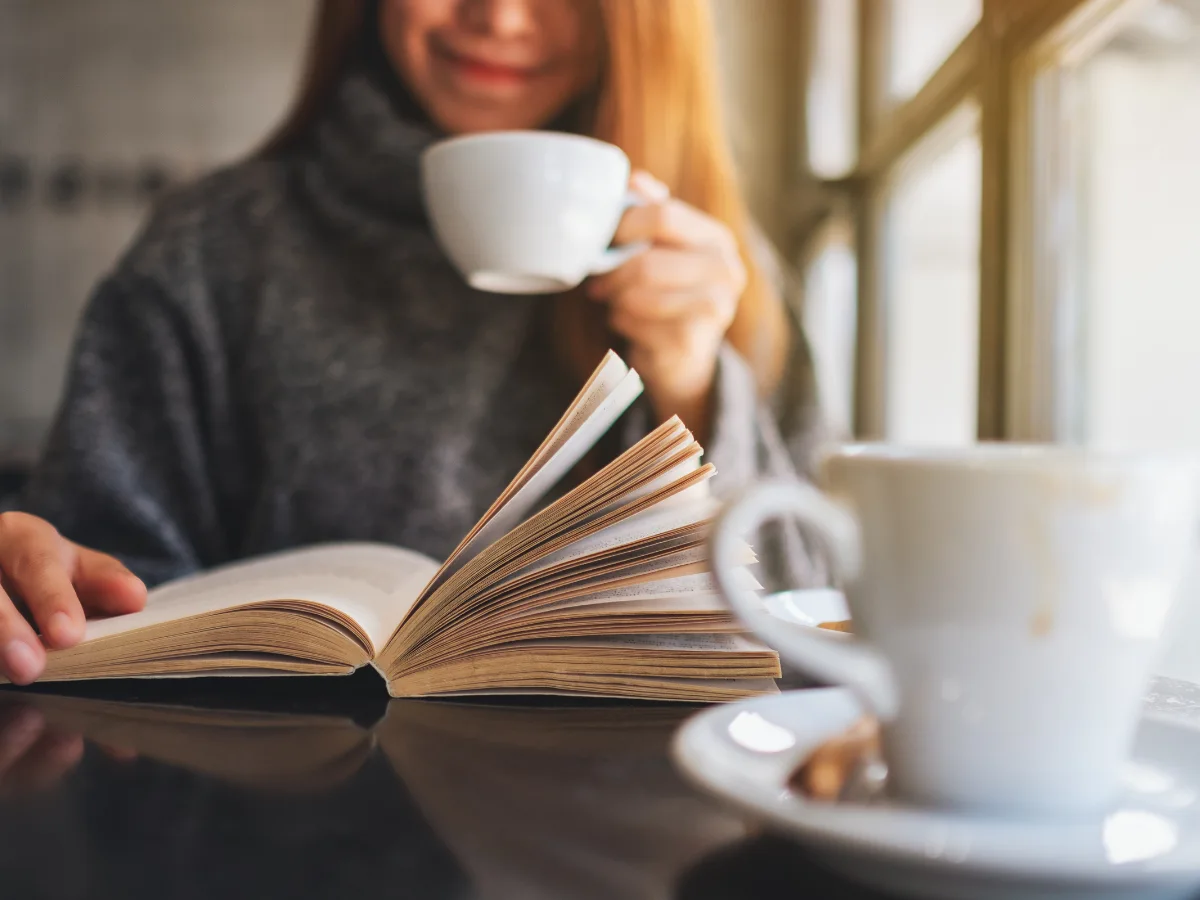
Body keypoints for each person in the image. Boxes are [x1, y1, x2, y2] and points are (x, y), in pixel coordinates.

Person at [0, 0, 826, 686]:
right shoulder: (209, 249)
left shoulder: (720, 275)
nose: (500, 17)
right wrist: (34, 574)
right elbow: (96, 600)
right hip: (267, 809)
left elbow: (814, 637)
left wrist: (693, 385)